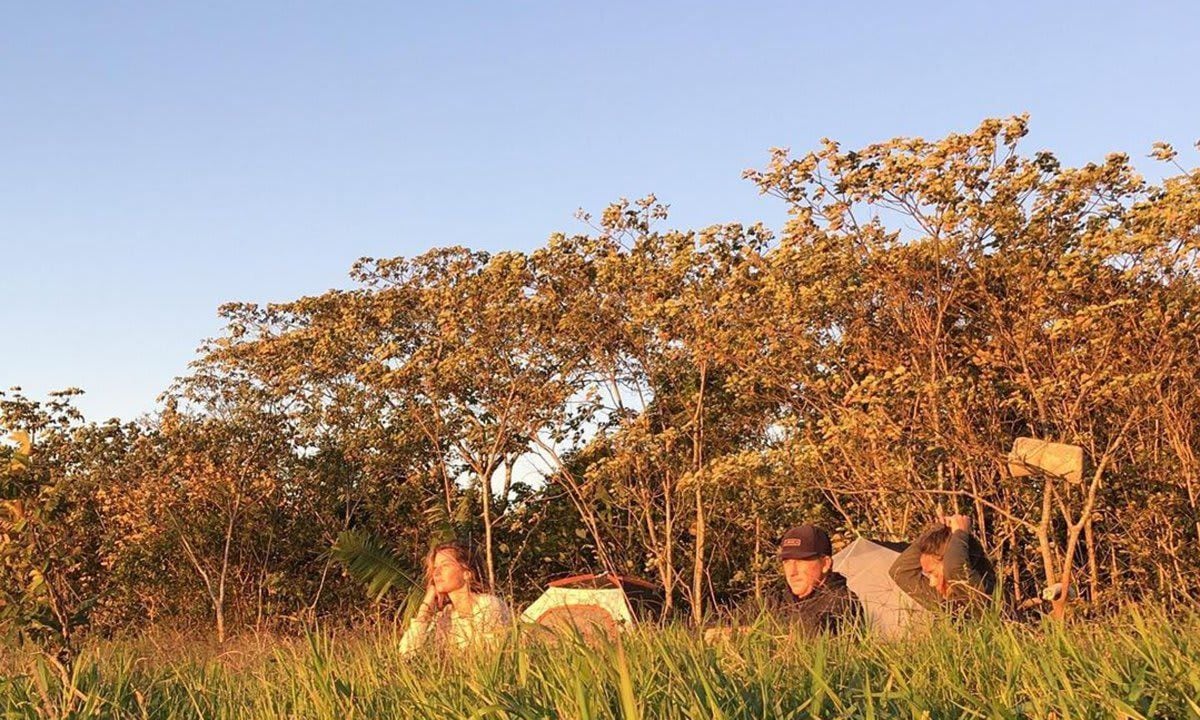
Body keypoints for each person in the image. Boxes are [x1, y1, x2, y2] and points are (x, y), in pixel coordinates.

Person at [398, 541, 511, 657]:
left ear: (467, 573)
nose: (436, 572)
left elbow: (491, 655)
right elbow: (406, 654)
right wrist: (426, 606)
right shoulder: (444, 617)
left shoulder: (488, 605)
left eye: (445, 565)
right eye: (435, 567)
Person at [889, 514, 996, 612]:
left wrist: (960, 533)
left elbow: (954, 568)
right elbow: (901, 571)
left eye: (934, 574)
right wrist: (937, 530)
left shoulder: (982, 595)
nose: (931, 583)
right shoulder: (946, 603)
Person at [769, 524, 863, 635]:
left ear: (825, 564)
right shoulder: (778, 599)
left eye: (800, 561)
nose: (792, 572)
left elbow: (811, 633)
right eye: (787, 562)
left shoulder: (843, 602)